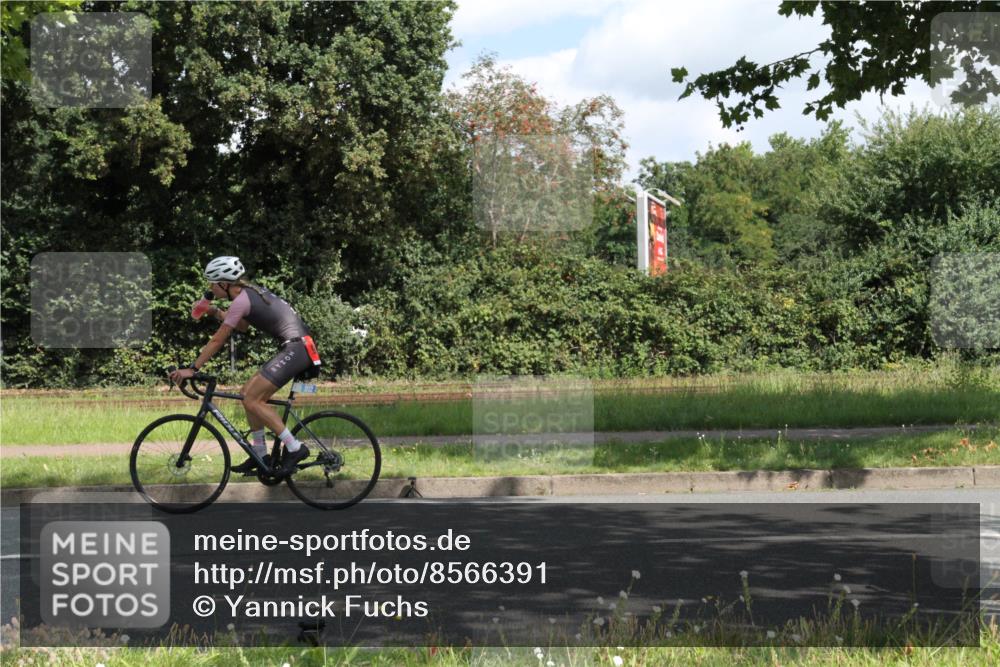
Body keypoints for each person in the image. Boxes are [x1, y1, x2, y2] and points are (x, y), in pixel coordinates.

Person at [168, 256, 320, 475]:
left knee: (253, 399)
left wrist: (193, 368)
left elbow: (218, 340)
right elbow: (242, 326)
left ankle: (295, 448)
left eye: (212, 283)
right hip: (297, 347)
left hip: (297, 349)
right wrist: (213, 312)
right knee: (246, 393)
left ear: (224, 283)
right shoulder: (248, 293)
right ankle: (260, 453)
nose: (211, 289)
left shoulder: (241, 300)